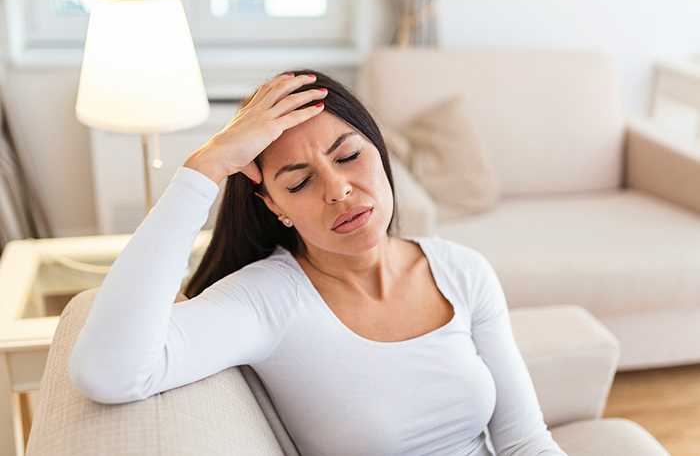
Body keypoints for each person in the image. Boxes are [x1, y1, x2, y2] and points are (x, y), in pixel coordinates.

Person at [69, 70, 568, 456]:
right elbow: (109, 372)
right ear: (275, 207)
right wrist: (208, 165)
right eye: (299, 182)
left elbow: (525, 442)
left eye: (348, 155)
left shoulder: (462, 270)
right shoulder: (268, 300)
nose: (339, 190)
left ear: (378, 147)